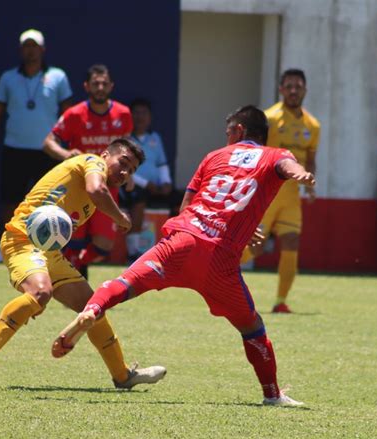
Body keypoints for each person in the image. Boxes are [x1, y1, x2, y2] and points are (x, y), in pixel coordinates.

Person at [52, 106, 315, 407]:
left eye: (229, 131)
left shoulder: (214, 156)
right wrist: (301, 175)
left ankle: (93, 309)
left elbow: (187, 206)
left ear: (240, 130)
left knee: (125, 283)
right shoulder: (274, 154)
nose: (227, 137)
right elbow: (285, 166)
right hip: (220, 259)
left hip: (181, 243)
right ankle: (272, 394)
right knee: (252, 326)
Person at [0, 138, 166, 389]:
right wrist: (120, 217)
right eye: (123, 162)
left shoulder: (94, 184)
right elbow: (98, 191)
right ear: (106, 154)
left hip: (50, 253)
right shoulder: (92, 162)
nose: (125, 172)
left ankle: (123, 375)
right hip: (22, 239)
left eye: (131, 170)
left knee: (93, 308)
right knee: (41, 292)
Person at [0, 29, 73, 262]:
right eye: (27, 46)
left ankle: (50, 248)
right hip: (15, 148)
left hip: (48, 151)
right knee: (11, 201)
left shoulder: (58, 77)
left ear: (42, 50)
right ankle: (6, 249)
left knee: (51, 202)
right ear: (21, 50)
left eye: (35, 46)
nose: (30, 50)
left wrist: (69, 145)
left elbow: (68, 113)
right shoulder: (8, 78)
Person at [241, 69, 320, 314]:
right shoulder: (270, 118)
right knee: (256, 247)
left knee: (291, 241)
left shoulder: (312, 125)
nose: (294, 91)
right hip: (266, 193)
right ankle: (217, 270)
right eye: (289, 86)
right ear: (281, 90)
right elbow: (254, 151)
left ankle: (280, 301)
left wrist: (311, 185)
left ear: (305, 90)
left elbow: (310, 158)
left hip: (291, 196)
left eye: (298, 86)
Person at [43, 64, 133, 278]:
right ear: (86, 86)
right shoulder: (74, 114)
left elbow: (127, 150)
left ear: (111, 86)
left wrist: (130, 175)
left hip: (107, 186)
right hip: (77, 186)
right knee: (70, 240)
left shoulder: (123, 113)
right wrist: (65, 154)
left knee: (105, 244)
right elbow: (48, 142)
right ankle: (68, 279)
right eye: (95, 84)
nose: (100, 87)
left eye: (104, 83)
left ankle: (77, 263)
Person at [119, 98, 182, 261]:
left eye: (144, 113)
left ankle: (177, 248)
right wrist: (147, 184)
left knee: (182, 200)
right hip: (133, 186)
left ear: (150, 117)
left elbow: (161, 165)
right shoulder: (125, 139)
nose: (140, 117)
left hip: (157, 187)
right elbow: (123, 168)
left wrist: (166, 183)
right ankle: (133, 252)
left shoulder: (155, 138)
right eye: (136, 113)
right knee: (138, 200)